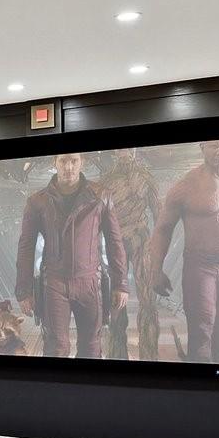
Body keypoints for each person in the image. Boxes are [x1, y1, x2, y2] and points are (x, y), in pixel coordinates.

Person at [145, 138, 219, 363]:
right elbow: (162, 230)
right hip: (200, 266)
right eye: (214, 145)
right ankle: (201, 386)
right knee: (201, 327)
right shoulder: (185, 186)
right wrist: (156, 270)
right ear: (202, 148)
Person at [15, 151, 128, 358]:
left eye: (74, 161)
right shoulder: (37, 202)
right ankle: (57, 391)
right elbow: (26, 246)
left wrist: (121, 284)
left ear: (81, 162)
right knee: (56, 348)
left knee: (92, 348)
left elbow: (115, 242)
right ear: (54, 162)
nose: (69, 167)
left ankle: (88, 390)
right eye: (63, 160)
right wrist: (24, 291)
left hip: (90, 282)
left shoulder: (101, 196)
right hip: (55, 283)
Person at [94, 146, 160, 359]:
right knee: (116, 301)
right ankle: (116, 355)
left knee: (148, 300)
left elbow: (159, 215)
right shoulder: (106, 182)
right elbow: (96, 218)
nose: (124, 154)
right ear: (114, 153)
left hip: (141, 240)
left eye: (128, 149)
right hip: (116, 243)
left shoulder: (145, 179)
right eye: (121, 150)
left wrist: (159, 250)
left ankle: (149, 357)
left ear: (134, 152)